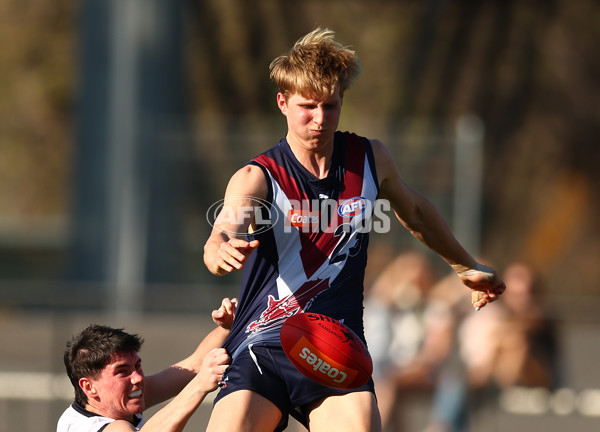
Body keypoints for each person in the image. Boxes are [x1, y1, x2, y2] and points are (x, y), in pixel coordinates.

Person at [203, 27, 506, 432]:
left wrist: (465, 266)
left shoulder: (370, 158)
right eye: (307, 106)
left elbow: (415, 212)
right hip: (263, 346)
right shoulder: (258, 176)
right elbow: (224, 227)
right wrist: (219, 249)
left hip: (335, 350)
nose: (319, 118)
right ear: (282, 103)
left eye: (330, 106)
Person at [56, 298, 237, 432]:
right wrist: (199, 386)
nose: (137, 377)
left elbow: (195, 364)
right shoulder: (89, 427)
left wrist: (227, 327)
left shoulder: (119, 402)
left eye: (137, 366)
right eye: (122, 371)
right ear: (88, 387)